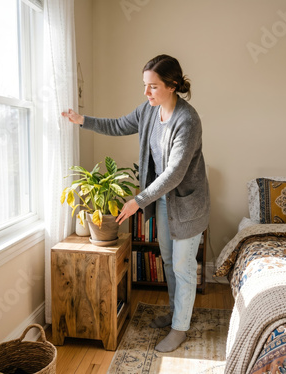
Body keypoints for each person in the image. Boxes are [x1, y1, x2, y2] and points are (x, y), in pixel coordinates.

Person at [62, 54, 210, 352]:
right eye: (145, 85)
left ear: (172, 85)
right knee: (168, 261)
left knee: (182, 267)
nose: (146, 92)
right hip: (164, 201)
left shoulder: (188, 120)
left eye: (152, 86)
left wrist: (137, 201)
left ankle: (180, 329)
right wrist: (82, 121)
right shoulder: (148, 110)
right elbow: (118, 125)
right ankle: (174, 313)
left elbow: (174, 173)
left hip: (187, 205)